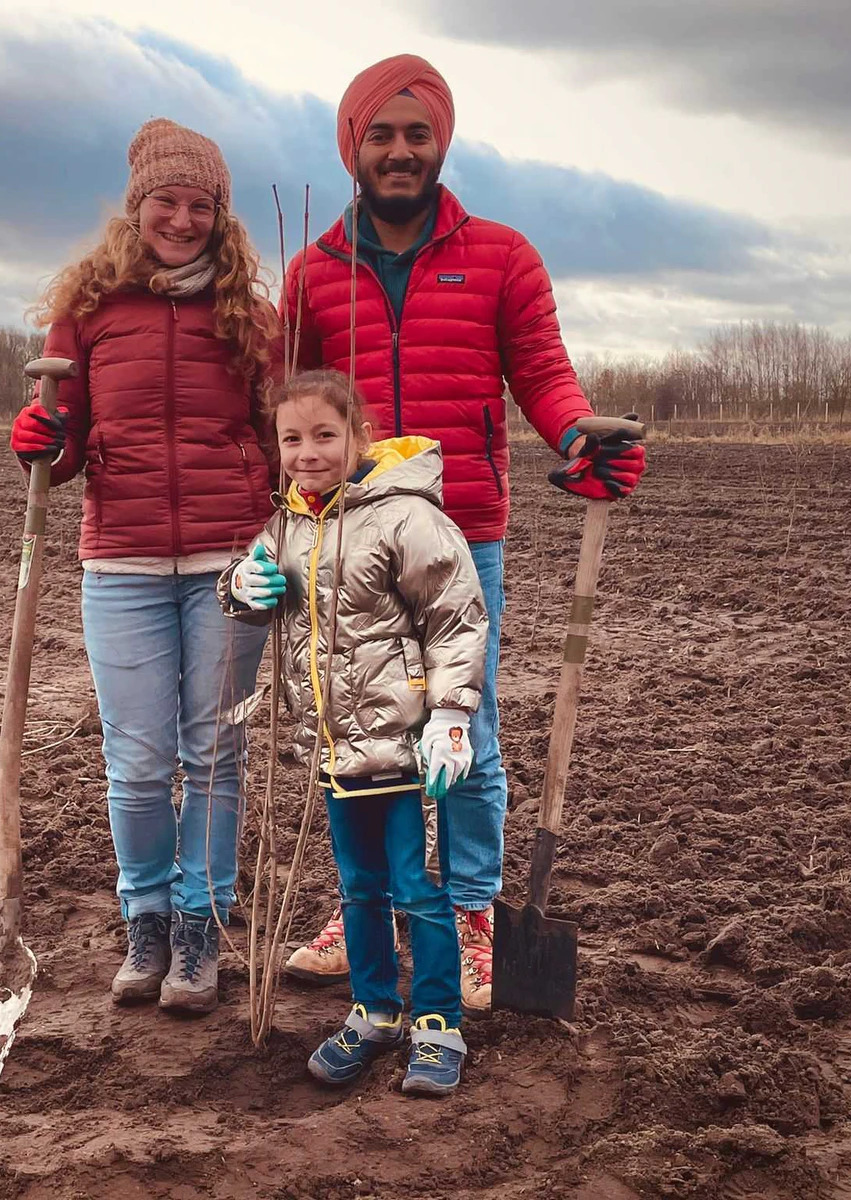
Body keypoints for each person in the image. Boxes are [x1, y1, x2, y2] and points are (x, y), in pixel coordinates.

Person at [281, 55, 648, 1011]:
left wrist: (578, 436)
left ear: (442, 141)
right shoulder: (315, 272)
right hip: (347, 540)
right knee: (361, 725)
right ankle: (369, 908)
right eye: (381, 136)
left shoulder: (502, 256)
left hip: (462, 533)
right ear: (352, 148)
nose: (400, 153)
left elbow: (541, 371)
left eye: (417, 134)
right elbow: (279, 407)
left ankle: (474, 909)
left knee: (464, 731)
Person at [10, 118, 278, 1014]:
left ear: (221, 215)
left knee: (213, 753)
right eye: (168, 200)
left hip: (227, 565)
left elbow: (280, 438)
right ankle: (148, 921)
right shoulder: (87, 312)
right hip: (119, 561)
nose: (184, 218)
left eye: (202, 204)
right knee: (135, 758)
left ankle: (201, 931)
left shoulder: (250, 317)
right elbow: (67, 448)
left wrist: (273, 531)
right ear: (138, 207)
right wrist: (40, 442)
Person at [220, 368, 487, 1095]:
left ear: (359, 436)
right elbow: (254, 588)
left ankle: (439, 1022)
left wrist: (454, 720)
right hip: (334, 749)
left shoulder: (406, 517)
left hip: (406, 746)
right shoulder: (289, 522)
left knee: (418, 889)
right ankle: (374, 1010)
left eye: (325, 435)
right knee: (359, 887)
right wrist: (241, 586)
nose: (308, 451)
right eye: (292, 438)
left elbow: (456, 619)